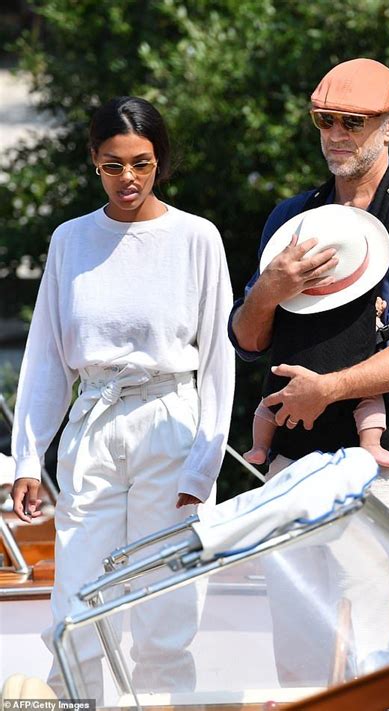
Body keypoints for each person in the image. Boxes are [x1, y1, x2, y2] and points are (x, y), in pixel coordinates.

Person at [228, 58, 389, 684]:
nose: (335, 134)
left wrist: (329, 388)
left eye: (352, 122)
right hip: (290, 463)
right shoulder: (291, 217)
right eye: (324, 120)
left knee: (372, 656)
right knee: (300, 660)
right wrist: (268, 289)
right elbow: (248, 342)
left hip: (376, 461)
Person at [11, 96, 235, 698]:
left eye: (141, 163)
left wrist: (206, 460)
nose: (128, 178)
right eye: (114, 165)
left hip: (171, 421)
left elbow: (218, 357)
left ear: (159, 161)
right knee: (77, 600)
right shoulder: (70, 240)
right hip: (93, 422)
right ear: (94, 162)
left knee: (167, 605)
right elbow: (47, 359)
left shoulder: (196, 238)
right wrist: (29, 458)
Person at [244, 296, 389, 468]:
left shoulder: (357, 299)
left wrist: (374, 312)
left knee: (270, 401)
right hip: (311, 369)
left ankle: (259, 446)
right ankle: (371, 444)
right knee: (272, 397)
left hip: (341, 373)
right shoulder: (297, 299)